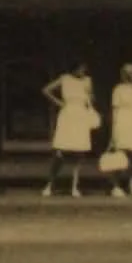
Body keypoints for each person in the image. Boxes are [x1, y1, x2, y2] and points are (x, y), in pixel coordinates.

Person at [42, 61, 99, 200]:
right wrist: (59, 103)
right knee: (60, 152)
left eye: (84, 69)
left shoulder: (87, 81)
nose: (83, 72)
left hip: (81, 116)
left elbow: (92, 99)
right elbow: (46, 90)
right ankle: (50, 184)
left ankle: (75, 186)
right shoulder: (64, 79)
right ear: (74, 68)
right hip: (67, 115)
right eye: (80, 69)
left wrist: (89, 94)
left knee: (79, 154)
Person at [98, 58, 132, 200]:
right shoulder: (118, 89)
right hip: (122, 123)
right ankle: (116, 186)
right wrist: (113, 133)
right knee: (120, 156)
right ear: (127, 75)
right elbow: (114, 111)